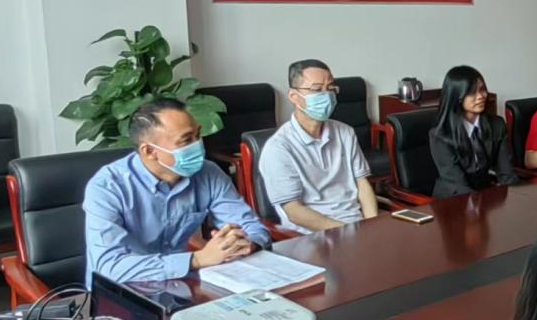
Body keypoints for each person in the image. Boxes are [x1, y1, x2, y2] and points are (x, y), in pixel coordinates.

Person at [84, 98, 270, 286]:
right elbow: (109, 267)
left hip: (179, 284)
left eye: (198, 135)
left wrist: (245, 243)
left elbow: (251, 227)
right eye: (187, 140)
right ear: (149, 151)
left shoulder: (208, 173)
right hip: (124, 291)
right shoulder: (107, 187)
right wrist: (197, 259)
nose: (199, 145)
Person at [259, 59, 378, 234]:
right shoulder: (278, 148)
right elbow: (293, 211)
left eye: (330, 88)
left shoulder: (345, 132)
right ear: (294, 96)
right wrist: (348, 232)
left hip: (357, 226)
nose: (327, 95)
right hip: (311, 235)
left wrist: (373, 226)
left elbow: (362, 184)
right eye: (316, 89)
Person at [429, 65, 519, 198]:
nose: (481, 96)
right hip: (451, 200)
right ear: (457, 96)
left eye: (482, 89)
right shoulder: (440, 135)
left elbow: (506, 173)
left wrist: (519, 197)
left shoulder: (497, 125)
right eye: (472, 92)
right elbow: (458, 184)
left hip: (484, 196)